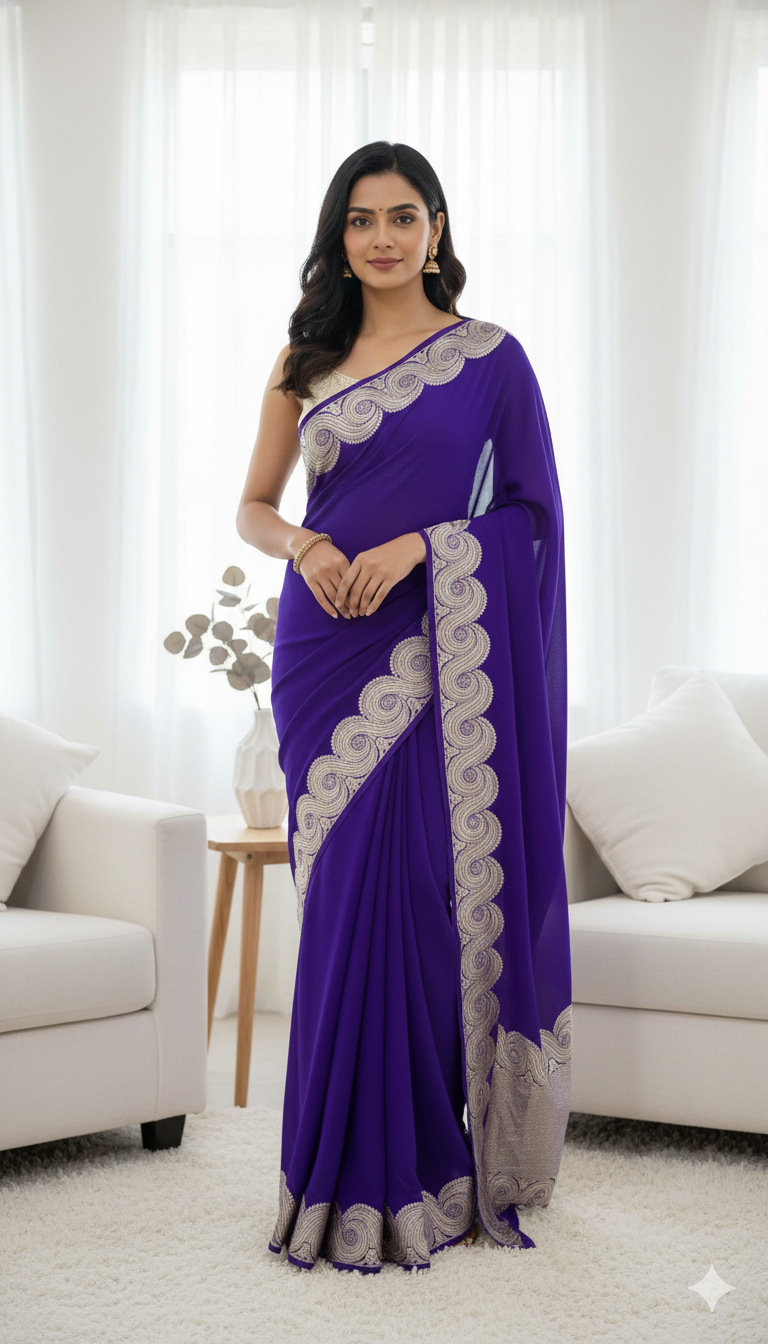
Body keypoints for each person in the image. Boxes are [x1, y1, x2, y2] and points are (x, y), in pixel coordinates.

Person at [236, 141, 572, 1275]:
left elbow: (530, 517)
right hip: (321, 650)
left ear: (436, 229)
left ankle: (427, 1168)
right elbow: (253, 506)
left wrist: (425, 547)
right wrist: (309, 544)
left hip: (433, 650)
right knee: (341, 910)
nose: (381, 237)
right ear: (340, 238)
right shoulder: (306, 358)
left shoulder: (491, 360)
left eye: (401, 216)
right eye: (360, 219)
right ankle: (328, 1178)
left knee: (424, 904)